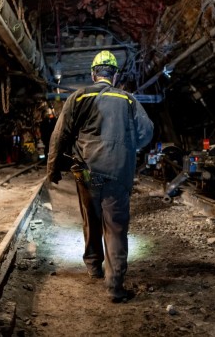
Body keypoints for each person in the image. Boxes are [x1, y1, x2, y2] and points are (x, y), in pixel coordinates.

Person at [47, 50, 154, 302]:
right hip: (118, 175)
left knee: (91, 218)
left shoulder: (79, 97)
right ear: (114, 76)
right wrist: (127, 147)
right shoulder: (128, 100)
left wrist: (52, 168)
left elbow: (59, 135)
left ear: (94, 74)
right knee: (115, 227)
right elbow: (147, 132)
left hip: (88, 174)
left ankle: (94, 266)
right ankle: (115, 286)